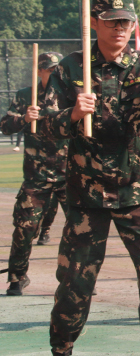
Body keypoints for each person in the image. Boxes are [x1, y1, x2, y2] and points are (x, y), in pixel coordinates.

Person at [40, 0, 140, 356]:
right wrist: (72, 114)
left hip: (137, 190)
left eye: (125, 22)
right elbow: (44, 128)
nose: (120, 28)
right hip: (87, 194)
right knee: (75, 283)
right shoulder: (70, 68)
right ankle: (62, 347)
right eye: (111, 22)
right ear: (93, 23)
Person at [1, 51, 68, 295]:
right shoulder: (25, 96)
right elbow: (4, 126)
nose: (54, 75)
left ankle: (77, 279)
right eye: (50, 70)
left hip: (68, 174)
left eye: (57, 70)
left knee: (80, 230)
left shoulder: (70, 95)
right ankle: (18, 277)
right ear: (39, 71)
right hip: (36, 175)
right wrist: (23, 119)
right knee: (24, 227)